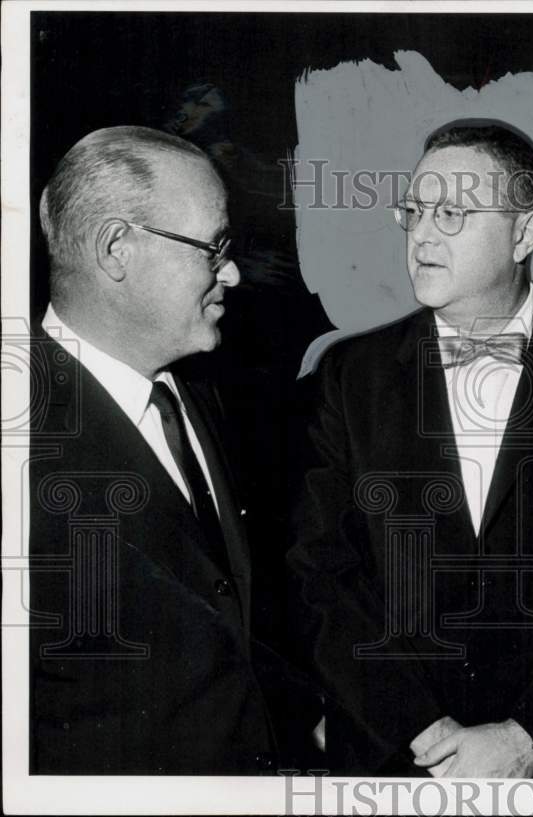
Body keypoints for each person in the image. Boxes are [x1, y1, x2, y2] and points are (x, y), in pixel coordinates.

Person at [288, 121, 533, 777]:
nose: (422, 236)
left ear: (525, 234)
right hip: (395, 760)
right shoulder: (348, 374)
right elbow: (319, 573)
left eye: (452, 213)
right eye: (414, 212)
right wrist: (420, 731)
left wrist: (528, 736)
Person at [29, 126, 318, 774]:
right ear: (116, 249)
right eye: (213, 249)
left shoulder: (197, 393)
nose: (234, 272)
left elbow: (222, 622)